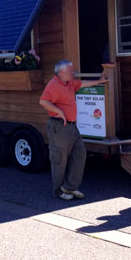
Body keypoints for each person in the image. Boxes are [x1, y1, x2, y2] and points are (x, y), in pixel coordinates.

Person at [39, 60, 108, 200]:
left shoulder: (69, 82)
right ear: (61, 72)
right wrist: (59, 111)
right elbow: (43, 101)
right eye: (70, 70)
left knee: (80, 154)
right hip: (59, 127)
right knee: (60, 159)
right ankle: (58, 191)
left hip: (72, 127)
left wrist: (99, 81)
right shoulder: (54, 85)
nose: (73, 72)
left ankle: (70, 187)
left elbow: (81, 83)